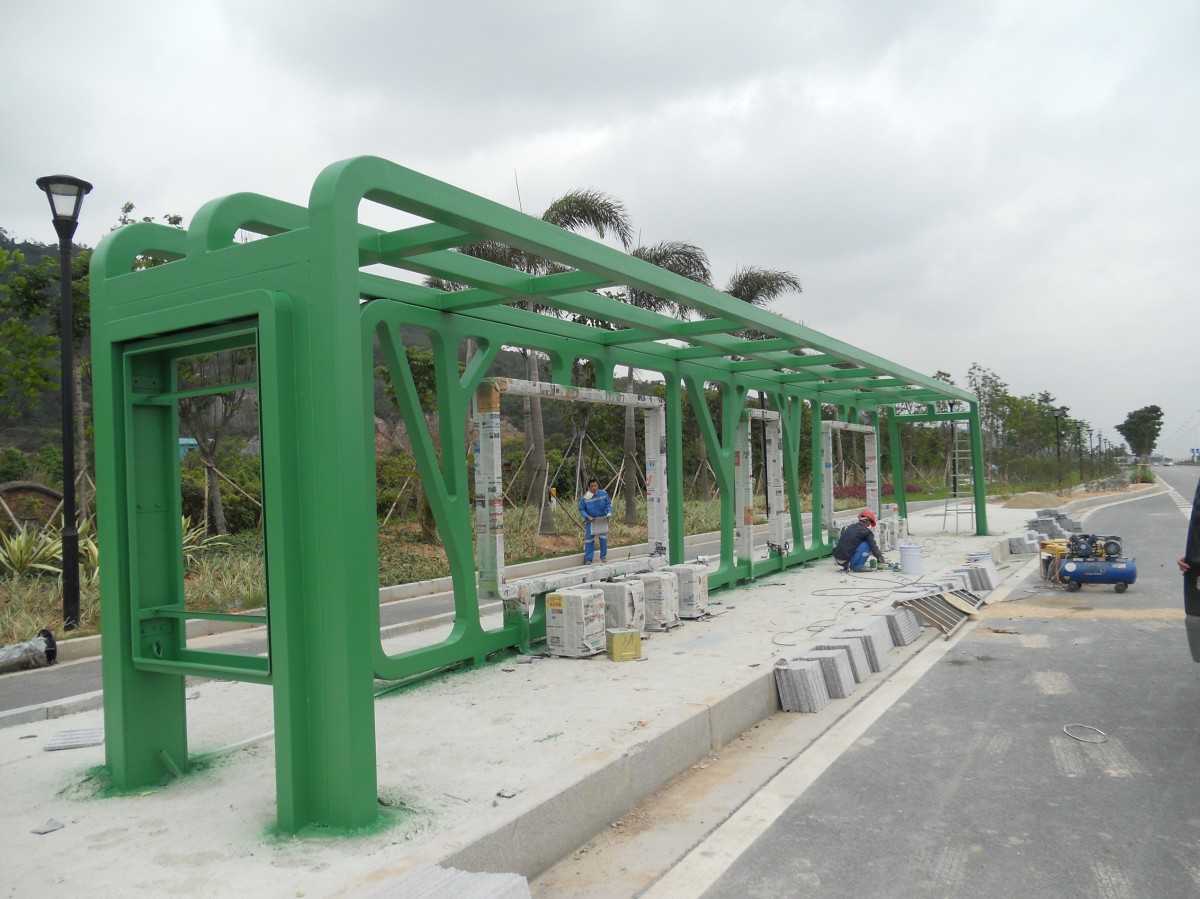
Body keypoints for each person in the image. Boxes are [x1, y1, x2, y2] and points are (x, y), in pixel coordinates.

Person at [578, 477, 612, 564]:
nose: (594, 488)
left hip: (602, 519)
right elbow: (581, 509)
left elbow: (608, 504)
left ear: (598, 486)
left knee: (603, 539)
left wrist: (609, 512)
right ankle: (588, 559)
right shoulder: (586, 497)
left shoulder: (603, 494)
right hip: (591, 521)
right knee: (589, 540)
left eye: (595, 485)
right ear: (589, 487)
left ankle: (603, 557)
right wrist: (587, 516)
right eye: (592, 486)